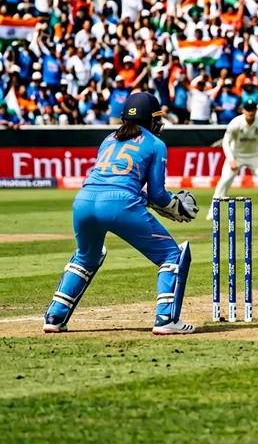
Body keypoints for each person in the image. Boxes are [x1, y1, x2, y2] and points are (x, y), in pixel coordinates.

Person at [43, 93, 198, 335]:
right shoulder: (156, 144)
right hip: (120, 204)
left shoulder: (108, 139)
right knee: (171, 255)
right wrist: (175, 205)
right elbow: (157, 193)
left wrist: (148, 201)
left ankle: (55, 315)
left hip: (83, 202)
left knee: (86, 257)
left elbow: (114, 182)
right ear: (152, 120)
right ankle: (166, 318)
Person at [207, 99, 258, 221]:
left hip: (255, 156)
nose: (250, 112)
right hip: (236, 155)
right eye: (248, 110)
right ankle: (213, 211)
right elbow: (226, 141)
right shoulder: (236, 123)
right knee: (224, 181)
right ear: (243, 110)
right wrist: (231, 159)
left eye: (252, 109)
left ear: (256, 110)